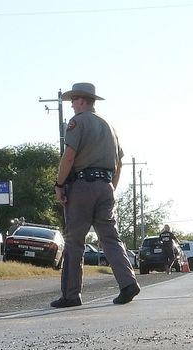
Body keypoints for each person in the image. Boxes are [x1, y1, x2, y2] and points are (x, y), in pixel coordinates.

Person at [52, 82, 138, 308]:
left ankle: (71, 294)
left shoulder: (77, 122)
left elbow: (69, 156)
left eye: (73, 100)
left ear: (81, 100)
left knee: (74, 241)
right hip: (106, 186)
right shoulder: (110, 126)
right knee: (110, 238)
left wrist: (59, 184)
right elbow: (119, 163)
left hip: (81, 186)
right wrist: (111, 187)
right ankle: (128, 282)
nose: (71, 105)